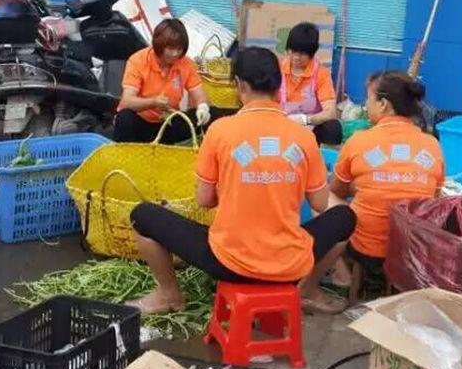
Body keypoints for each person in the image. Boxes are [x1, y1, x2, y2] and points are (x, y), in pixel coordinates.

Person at [129, 46, 356, 315]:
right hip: (289, 263)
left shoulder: (220, 131)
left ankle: (169, 295)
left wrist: (236, 185)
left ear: (240, 84)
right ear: (278, 85)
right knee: (345, 217)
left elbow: (204, 200)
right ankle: (307, 289)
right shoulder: (304, 137)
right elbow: (319, 203)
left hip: (227, 262)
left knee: (142, 215)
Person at [317, 70, 445, 303]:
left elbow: (335, 190)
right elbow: (433, 199)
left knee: (320, 197)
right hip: (412, 250)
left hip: (367, 248)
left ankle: (341, 274)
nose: (366, 105)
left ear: (383, 104)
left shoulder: (359, 141)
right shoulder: (432, 145)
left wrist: (362, 186)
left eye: (368, 98)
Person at [113, 19, 212, 144]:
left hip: (167, 123)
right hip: (141, 123)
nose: (175, 54)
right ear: (159, 45)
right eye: (170, 48)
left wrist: (203, 108)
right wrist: (153, 102)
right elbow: (127, 101)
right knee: (125, 117)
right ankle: (125, 154)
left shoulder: (186, 63)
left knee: (213, 114)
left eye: (179, 49)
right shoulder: (137, 61)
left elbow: (199, 94)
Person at [281, 23, 343, 146]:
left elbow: (330, 112)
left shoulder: (321, 74)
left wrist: (305, 120)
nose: (296, 57)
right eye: (293, 51)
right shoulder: (278, 68)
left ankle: (322, 153)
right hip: (281, 123)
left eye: (302, 54)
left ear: (312, 53)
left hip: (310, 125)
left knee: (333, 128)